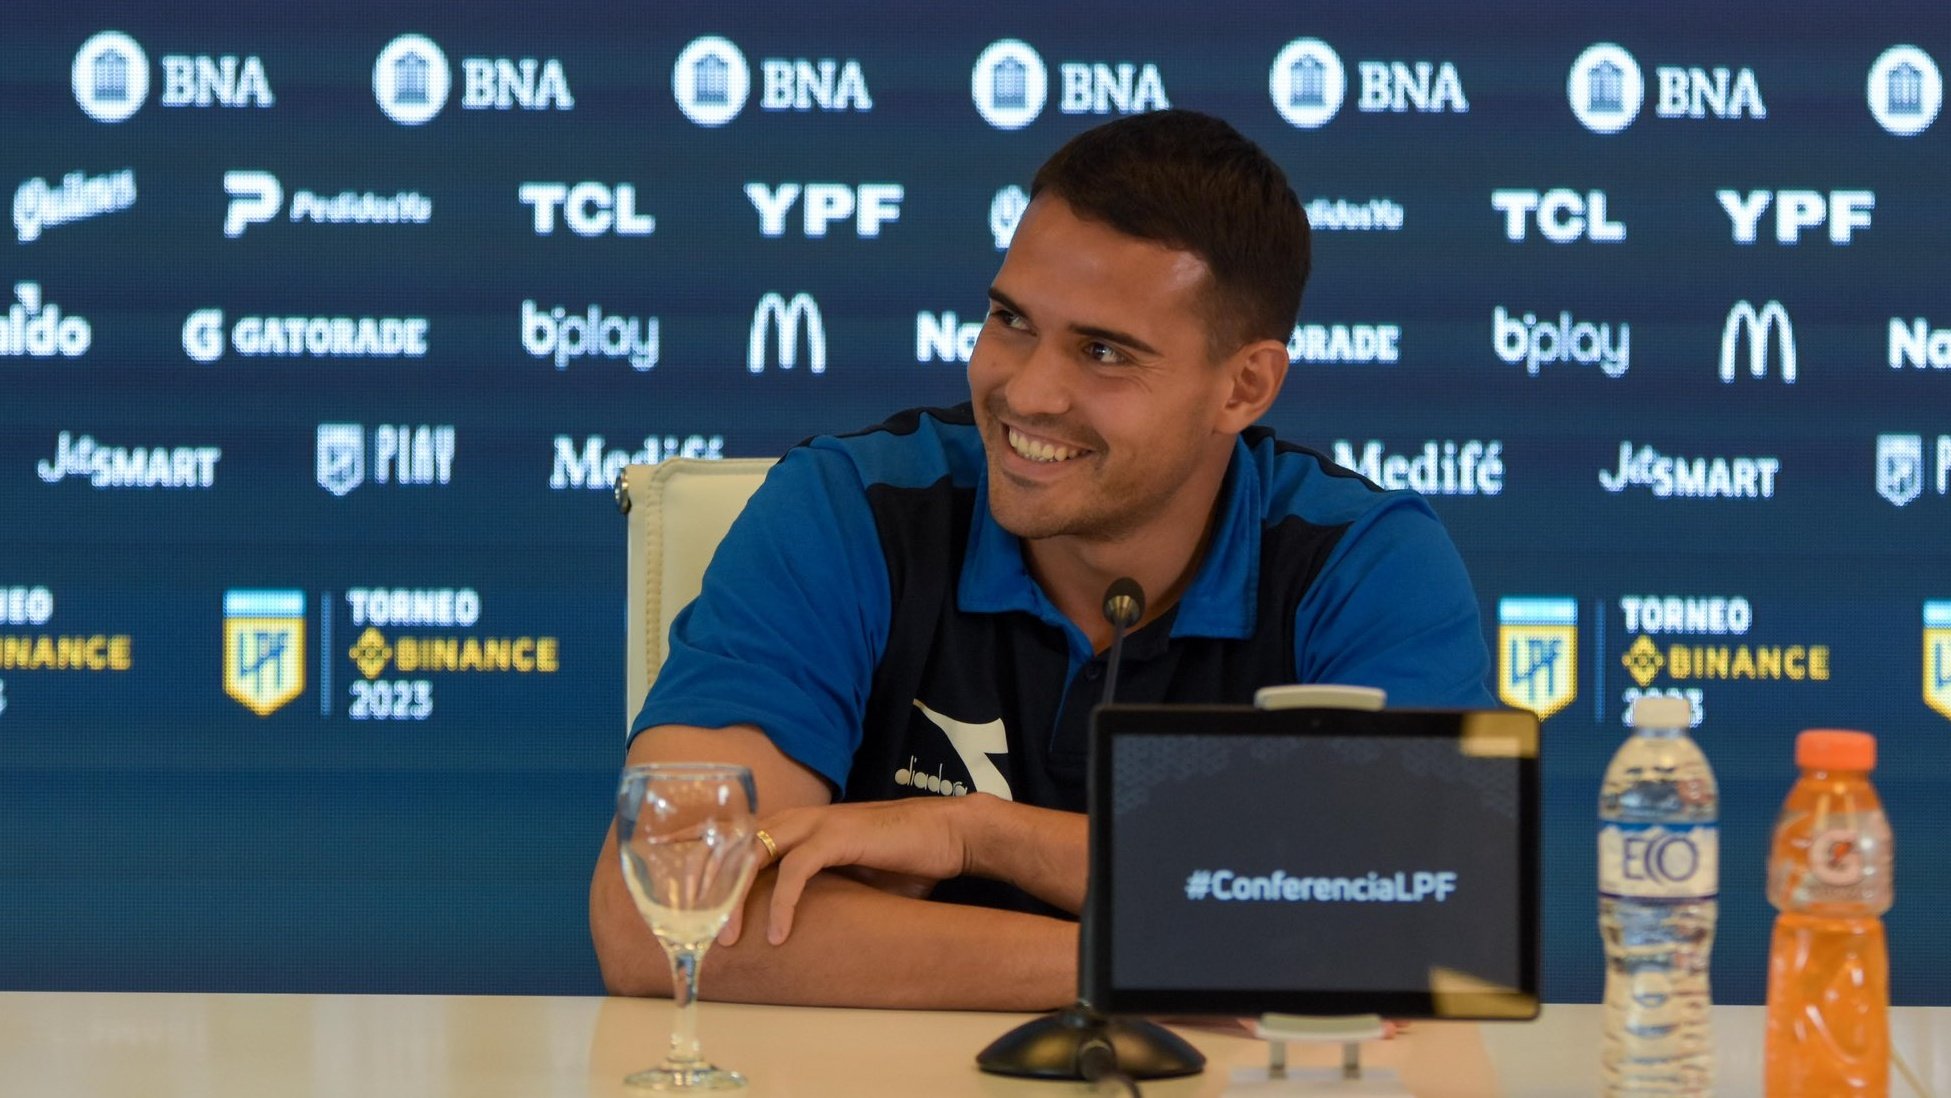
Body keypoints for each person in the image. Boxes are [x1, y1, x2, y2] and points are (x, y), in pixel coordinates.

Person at [590, 109, 1494, 1010]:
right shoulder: (845, 510)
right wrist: (1160, 963)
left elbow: (1423, 926)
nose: (1026, 391)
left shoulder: (1364, 564)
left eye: (1103, 352)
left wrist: (981, 836)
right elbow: (657, 913)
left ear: (1242, 386)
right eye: (1011, 320)